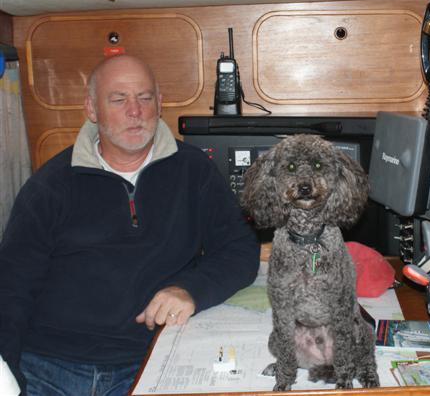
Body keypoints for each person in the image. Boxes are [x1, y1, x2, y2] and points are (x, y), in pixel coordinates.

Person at [0, 55, 260, 395]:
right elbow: (11, 286)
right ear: (92, 109)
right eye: (119, 99)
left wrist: (191, 289)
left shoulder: (194, 171)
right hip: (48, 363)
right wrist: (7, 374)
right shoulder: (51, 185)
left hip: (147, 359)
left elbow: (240, 250)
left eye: (145, 97)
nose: (135, 111)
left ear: (160, 104)